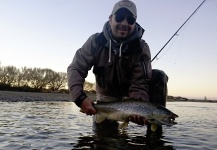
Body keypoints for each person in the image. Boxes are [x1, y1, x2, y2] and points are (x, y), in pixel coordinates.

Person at [67, 0, 168, 129]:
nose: (124, 23)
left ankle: (155, 131)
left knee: (159, 75)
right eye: (120, 17)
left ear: (135, 22)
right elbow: (76, 68)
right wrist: (80, 98)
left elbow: (140, 82)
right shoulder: (95, 41)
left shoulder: (141, 47)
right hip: (106, 97)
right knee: (103, 141)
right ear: (111, 19)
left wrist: (138, 107)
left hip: (131, 97)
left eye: (130, 19)